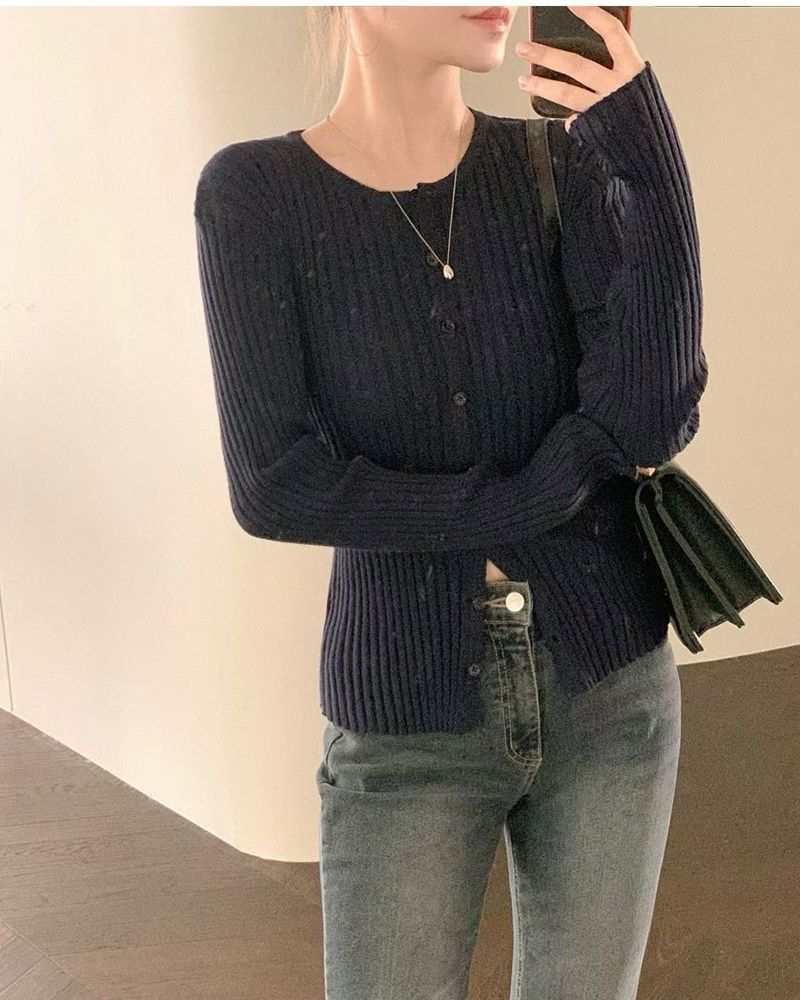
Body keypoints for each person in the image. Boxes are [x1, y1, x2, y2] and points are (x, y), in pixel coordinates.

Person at [193, 6, 709, 998]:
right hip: (406, 713)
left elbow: (652, 417)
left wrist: (641, 146)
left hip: (610, 688)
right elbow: (274, 484)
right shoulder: (255, 194)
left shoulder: (552, 164)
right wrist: (534, 493)